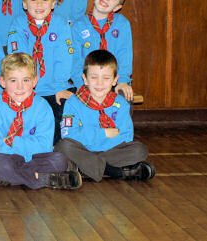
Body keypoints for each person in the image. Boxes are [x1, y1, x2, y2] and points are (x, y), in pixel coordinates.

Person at [0, 53, 81, 189]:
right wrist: (21, 149)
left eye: (26, 80)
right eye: (13, 81)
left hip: (33, 159)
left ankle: (4, 178)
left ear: (35, 81)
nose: (20, 87)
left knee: (59, 160)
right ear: (2, 82)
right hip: (5, 158)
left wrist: (12, 141)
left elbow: (44, 146)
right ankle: (45, 179)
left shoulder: (42, 107)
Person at [55, 50, 155, 181]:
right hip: (83, 149)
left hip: (110, 152)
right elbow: (69, 135)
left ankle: (85, 167)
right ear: (85, 79)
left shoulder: (121, 103)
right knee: (63, 147)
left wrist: (88, 137)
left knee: (140, 150)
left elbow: (126, 137)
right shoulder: (73, 102)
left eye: (106, 78)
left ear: (115, 80)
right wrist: (103, 134)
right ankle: (115, 171)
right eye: (94, 77)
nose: (99, 83)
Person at [6, 0, 75, 144]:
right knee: (27, 121)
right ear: (24, 4)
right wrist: (25, 87)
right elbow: (18, 59)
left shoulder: (60, 23)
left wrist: (59, 86)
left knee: (62, 119)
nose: (39, 4)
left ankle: (58, 151)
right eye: (33, 0)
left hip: (54, 87)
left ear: (53, 4)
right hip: (27, 88)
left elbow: (64, 58)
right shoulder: (18, 23)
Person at [71, 0, 134, 101]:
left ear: (117, 7)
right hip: (87, 82)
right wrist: (82, 85)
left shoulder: (122, 24)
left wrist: (122, 81)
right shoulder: (78, 26)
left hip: (113, 82)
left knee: (123, 98)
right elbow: (75, 61)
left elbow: (124, 54)